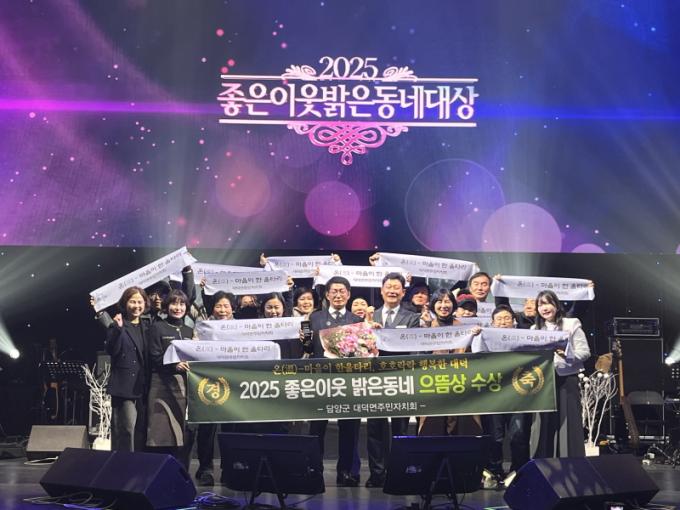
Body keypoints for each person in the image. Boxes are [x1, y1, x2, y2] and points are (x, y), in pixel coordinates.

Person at [305, 276, 363, 487]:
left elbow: (362, 351)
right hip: (321, 381)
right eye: (334, 291)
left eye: (342, 291)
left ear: (349, 294)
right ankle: (314, 471)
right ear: (327, 295)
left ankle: (346, 472)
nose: (338, 295)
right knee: (316, 429)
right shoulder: (314, 318)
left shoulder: (356, 320)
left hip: (348, 383)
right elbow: (307, 347)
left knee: (349, 429)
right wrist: (303, 338)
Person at [365, 273, 420, 488]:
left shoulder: (412, 318)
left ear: (403, 292)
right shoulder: (370, 316)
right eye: (388, 287)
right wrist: (368, 331)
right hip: (375, 380)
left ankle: (399, 473)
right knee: (375, 429)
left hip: (400, 379)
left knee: (401, 429)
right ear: (381, 290)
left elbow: (414, 347)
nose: (392, 291)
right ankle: (377, 474)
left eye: (396, 287)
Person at [532, 290, 591, 458]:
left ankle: (571, 462)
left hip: (566, 379)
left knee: (568, 421)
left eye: (548, 303)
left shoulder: (571, 324)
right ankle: (544, 462)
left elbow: (585, 352)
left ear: (556, 306)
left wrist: (567, 355)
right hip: (543, 381)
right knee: (543, 424)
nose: (544, 308)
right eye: (540, 305)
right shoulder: (534, 329)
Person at [484, 304, 532, 486]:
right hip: (494, 395)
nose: (503, 322)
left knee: (518, 435)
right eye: (499, 319)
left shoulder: (524, 339)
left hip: (518, 395)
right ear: (492, 323)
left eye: (507, 318)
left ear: (514, 321)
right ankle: (494, 472)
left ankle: (519, 471)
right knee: (495, 437)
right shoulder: (485, 340)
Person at [146, 290, 192, 465]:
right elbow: (154, 356)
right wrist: (174, 366)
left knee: (183, 433)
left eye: (181, 304)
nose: (178, 308)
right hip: (161, 384)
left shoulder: (190, 331)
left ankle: (182, 471)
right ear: (166, 306)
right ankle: (159, 469)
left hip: (186, 386)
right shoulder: (157, 327)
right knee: (160, 431)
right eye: (174, 303)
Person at [105, 286, 150, 452]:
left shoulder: (148, 326)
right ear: (125, 303)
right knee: (126, 429)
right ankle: (123, 464)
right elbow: (111, 350)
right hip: (124, 386)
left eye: (140, 302)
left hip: (144, 385)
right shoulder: (118, 324)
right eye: (132, 301)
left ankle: (139, 464)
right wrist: (117, 330)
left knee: (141, 430)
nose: (136, 306)